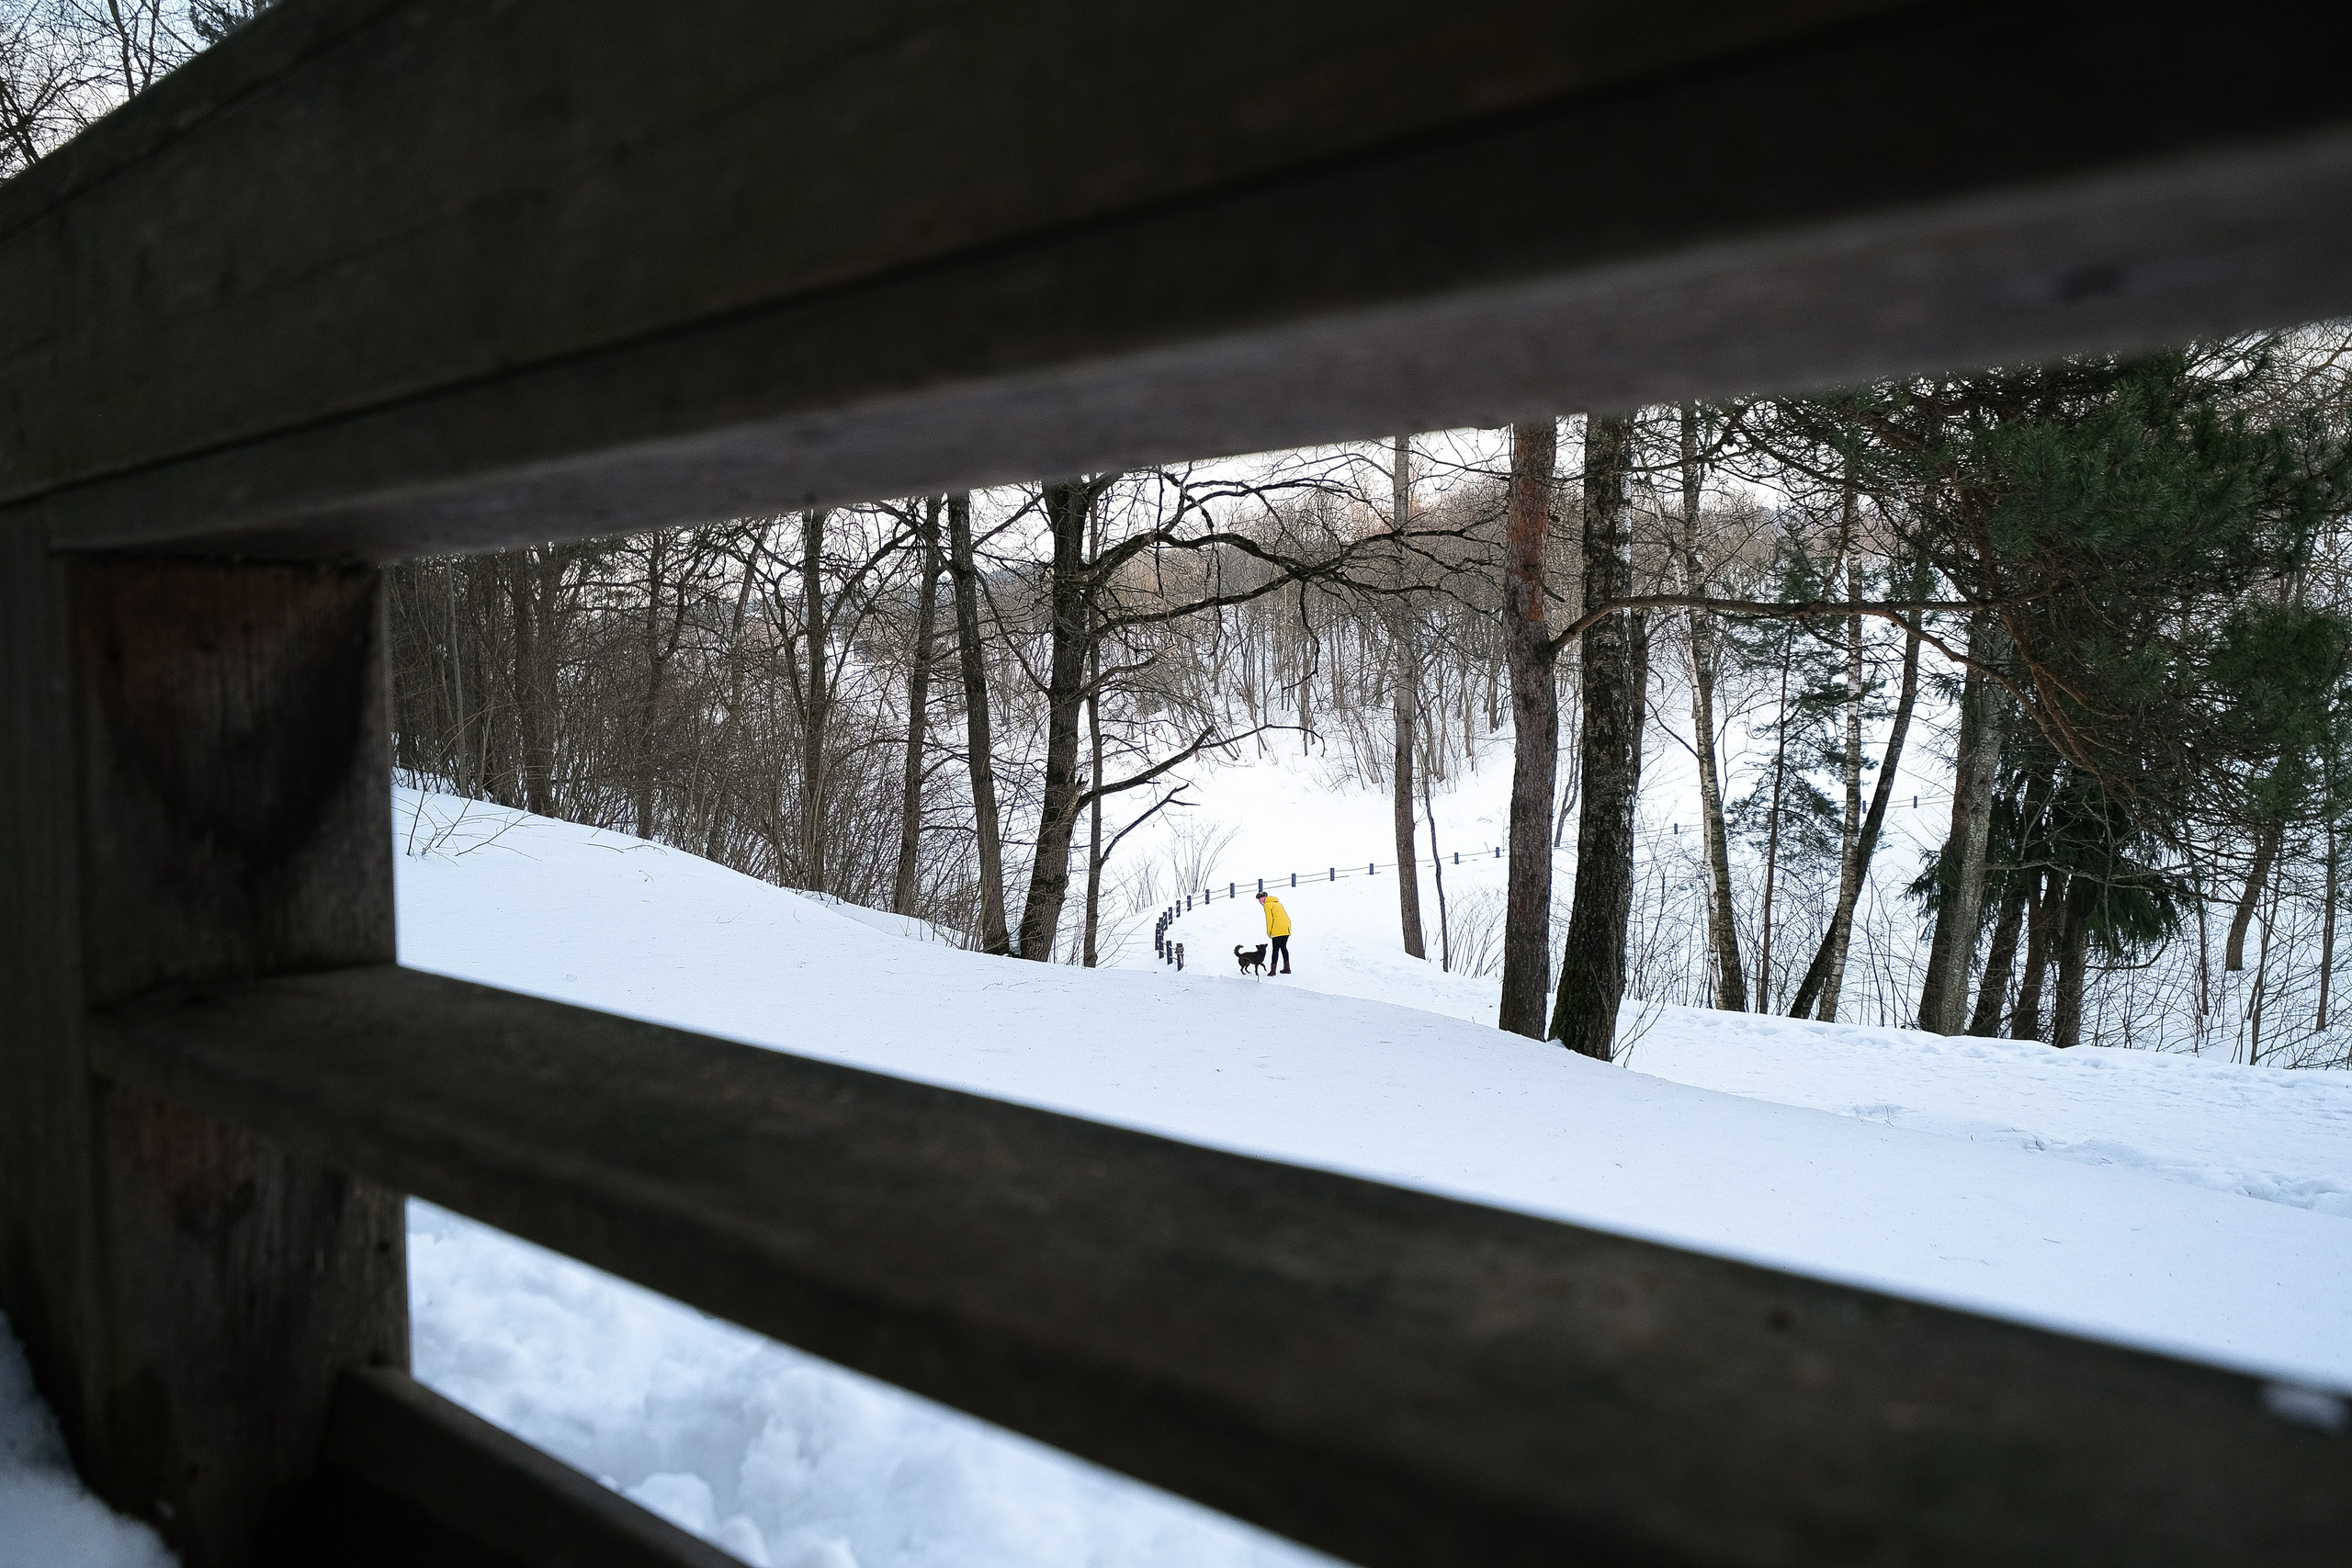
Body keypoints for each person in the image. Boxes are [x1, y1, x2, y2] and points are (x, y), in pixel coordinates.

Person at [1255, 891, 1292, 974]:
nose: (1262, 903)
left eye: (1261, 901)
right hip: (1287, 927)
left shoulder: (1267, 905)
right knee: (1283, 947)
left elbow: (1269, 919)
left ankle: (1273, 970)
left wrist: (1269, 932)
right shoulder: (1277, 903)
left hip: (1277, 927)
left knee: (1275, 949)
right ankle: (1287, 968)